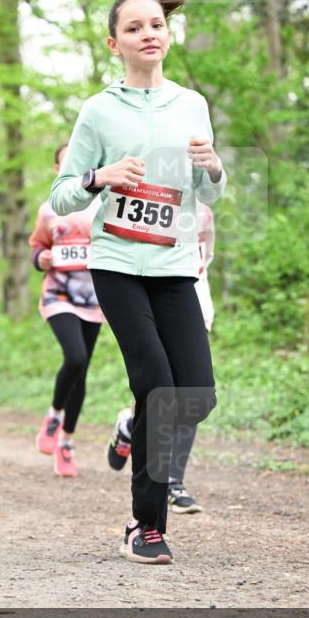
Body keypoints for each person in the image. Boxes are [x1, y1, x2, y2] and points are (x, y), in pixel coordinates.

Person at [50, 0, 226, 564]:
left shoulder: (192, 105)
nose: (148, 33)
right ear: (114, 43)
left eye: (156, 24)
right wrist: (101, 177)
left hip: (176, 265)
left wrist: (214, 167)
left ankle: (129, 430)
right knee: (155, 384)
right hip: (119, 263)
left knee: (195, 395)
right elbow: (61, 197)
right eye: (134, 27)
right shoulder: (99, 112)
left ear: (167, 33)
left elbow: (208, 197)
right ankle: (144, 525)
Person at [110, 201, 217, 514]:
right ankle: (132, 423)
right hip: (155, 300)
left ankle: (174, 479)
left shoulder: (204, 210)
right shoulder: (147, 200)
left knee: (192, 389)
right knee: (159, 383)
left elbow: (205, 256)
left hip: (194, 298)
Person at [29, 143, 104, 478]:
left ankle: (67, 443)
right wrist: (40, 259)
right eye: (68, 160)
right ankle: (54, 415)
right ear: (57, 169)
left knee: (82, 369)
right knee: (74, 357)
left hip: (95, 300)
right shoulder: (49, 209)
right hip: (58, 295)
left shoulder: (105, 205)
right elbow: (38, 245)